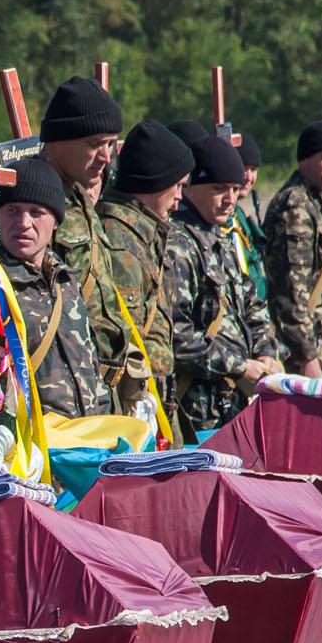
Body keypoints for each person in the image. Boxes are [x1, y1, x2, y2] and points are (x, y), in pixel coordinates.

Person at [166, 137, 282, 439]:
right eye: (219, 189)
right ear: (189, 187)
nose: (230, 198)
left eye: (233, 189)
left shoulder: (222, 238)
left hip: (233, 404)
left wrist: (265, 351)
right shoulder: (177, 244)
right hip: (197, 412)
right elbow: (177, 334)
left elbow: (251, 302)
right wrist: (239, 367)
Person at [0, 156, 107, 417]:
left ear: (56, 221)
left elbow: (89, 364)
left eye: (37, 213)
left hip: (84, 442)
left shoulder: (66, 281)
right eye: (12, 210)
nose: (24, 223)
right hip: (28, 449)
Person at [39, 77, 133, 405]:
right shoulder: (33, 206)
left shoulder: (80, 197)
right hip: (61, 391)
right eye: (95, 144)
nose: (106, 157)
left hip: (102, 386)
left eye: (111, 144)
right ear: (59, 140)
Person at [97, 119, 194, 420]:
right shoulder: (120, 241)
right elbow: (129, 338)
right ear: (155, 181)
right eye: (177, 185)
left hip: (154, 397)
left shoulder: (143, 233)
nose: (180, 196)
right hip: (135, 403)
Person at [262, 121, 322, 378]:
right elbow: (292, 288)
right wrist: (307, 355)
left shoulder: (319, 201)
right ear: (305, 160)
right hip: (303, 351)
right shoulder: (296, 205)